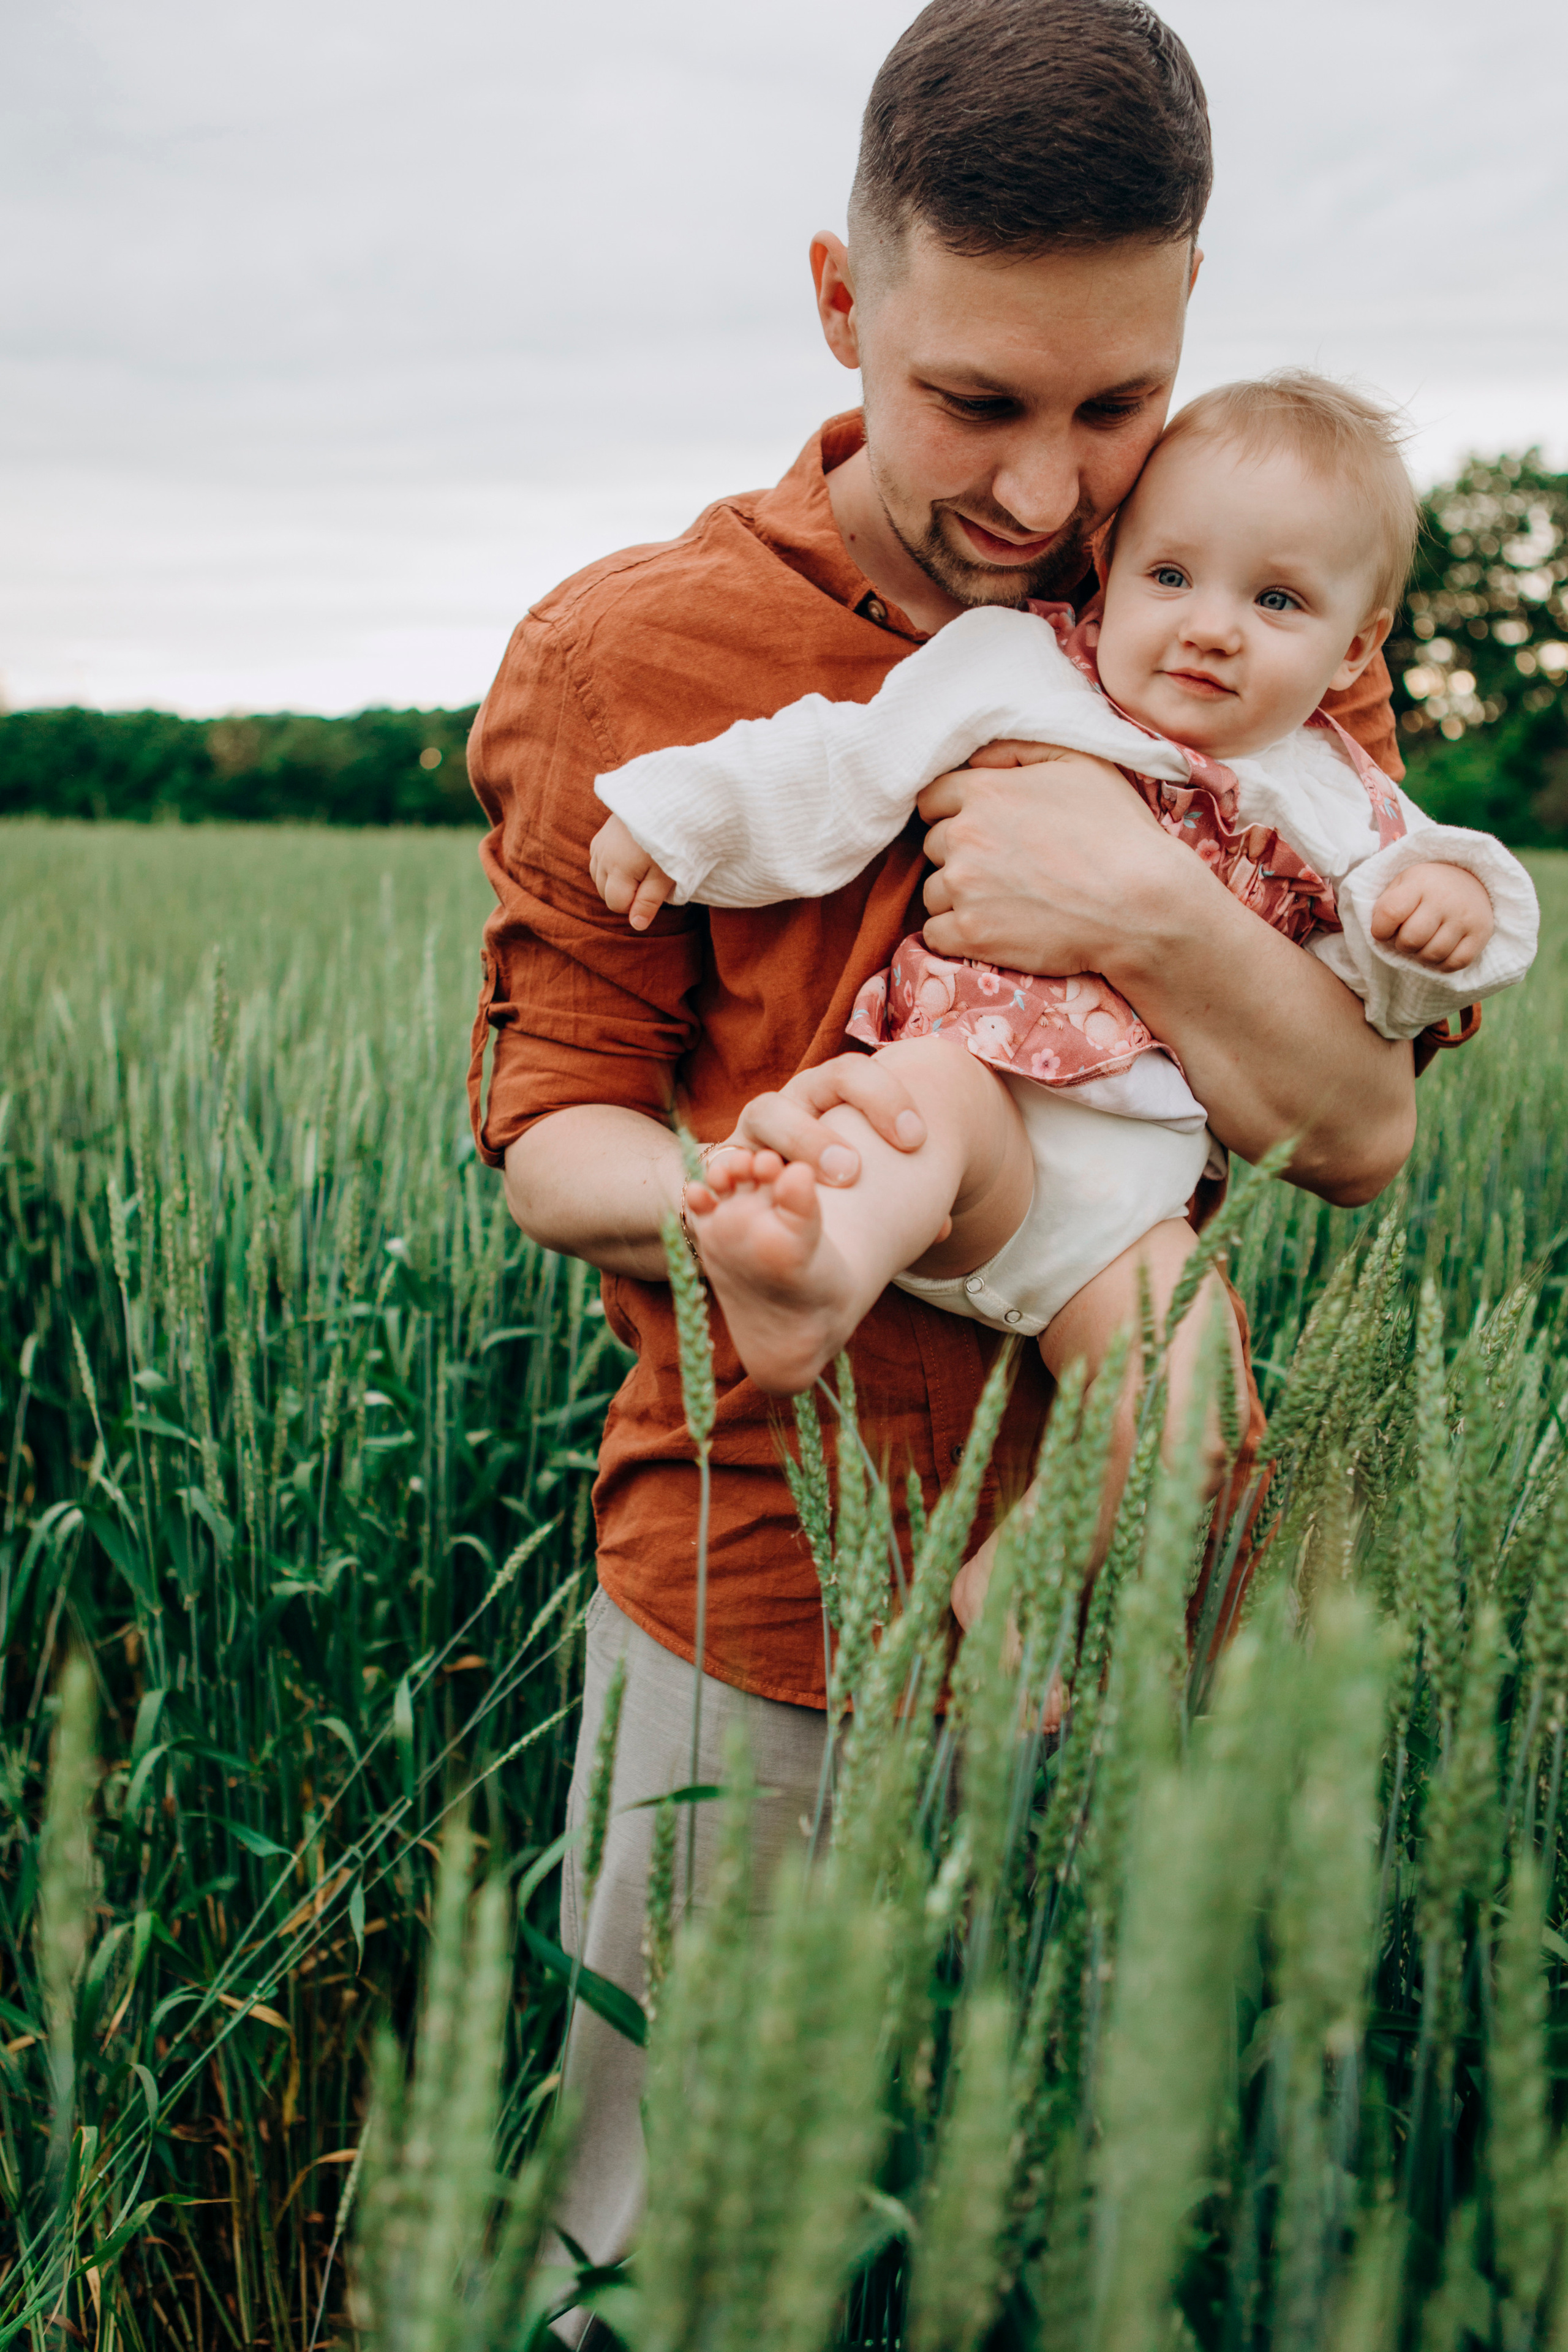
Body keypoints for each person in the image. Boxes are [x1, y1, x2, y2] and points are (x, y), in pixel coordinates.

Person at [466, 1, 1450, 2326]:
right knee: (655, 2235)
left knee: (1030, 2222)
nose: (1044, 493)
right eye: (975, 401)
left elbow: (1362, 1133)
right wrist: (761, 1207)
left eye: (1113, 404)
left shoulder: (1255, 613)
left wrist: (1138, 909)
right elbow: (550, 1140)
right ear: (844, 304)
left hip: (1133, 1597)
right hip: (752, 1592)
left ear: (1192, 315)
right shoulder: (641, 651)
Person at [587, 372, 1537, 1608]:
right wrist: (683, 820)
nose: (1209, 626)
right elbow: (845, 756)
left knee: (1188, 1418)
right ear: (1106, 567)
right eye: (1168, 577)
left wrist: (1439, 920)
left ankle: (1006, 1610)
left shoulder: (1336, 796)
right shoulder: (1027, 668)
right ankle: (808, 1277)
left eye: (1276, 600)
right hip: (981, 1106)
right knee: (904, 1110)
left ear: (1354, 646)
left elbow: (1400, 966)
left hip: (1124, 1213)